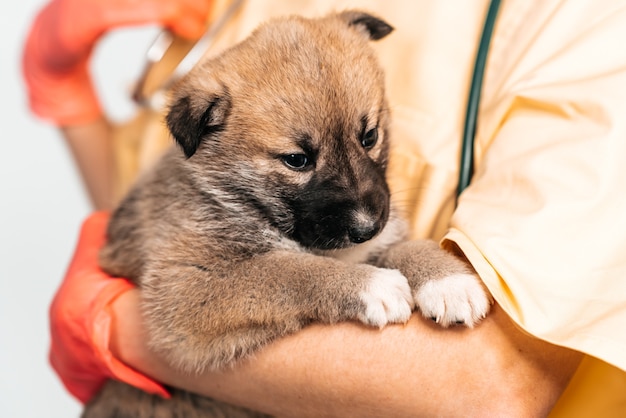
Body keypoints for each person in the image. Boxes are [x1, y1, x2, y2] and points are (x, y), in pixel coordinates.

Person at [22, 0, 626, 416]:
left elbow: (493, 389)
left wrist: (120, 329)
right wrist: (67, 94)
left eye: (371, 139)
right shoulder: (230, 71)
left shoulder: (586, 29)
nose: (364, 209)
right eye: (296, 160)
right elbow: (141, 221)